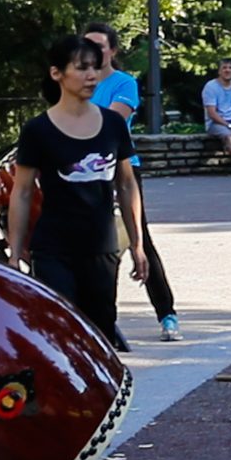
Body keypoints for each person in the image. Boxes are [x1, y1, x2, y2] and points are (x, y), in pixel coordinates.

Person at [8, 35, 147, 338]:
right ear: (57, 73)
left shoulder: (113, 124)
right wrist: (15, 251)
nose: (92, 75)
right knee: (61, 329)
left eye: (95, 67)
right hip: (53, 248)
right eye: (82, 68)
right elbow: (22, 192)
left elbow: (126, 185)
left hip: (101, 245)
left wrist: (137, 243)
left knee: (101, 329)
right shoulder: (37, 130)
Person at [83, 22, 179, 342]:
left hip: (120, 169)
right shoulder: (76, 81)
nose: (94, 51)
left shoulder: (124, 82)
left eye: (100, 45)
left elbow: (111, 121)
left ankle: (166, 314)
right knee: (92, 244)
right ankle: (97, 320)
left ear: (112, 50)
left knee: (140, 239)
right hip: (81, 171)